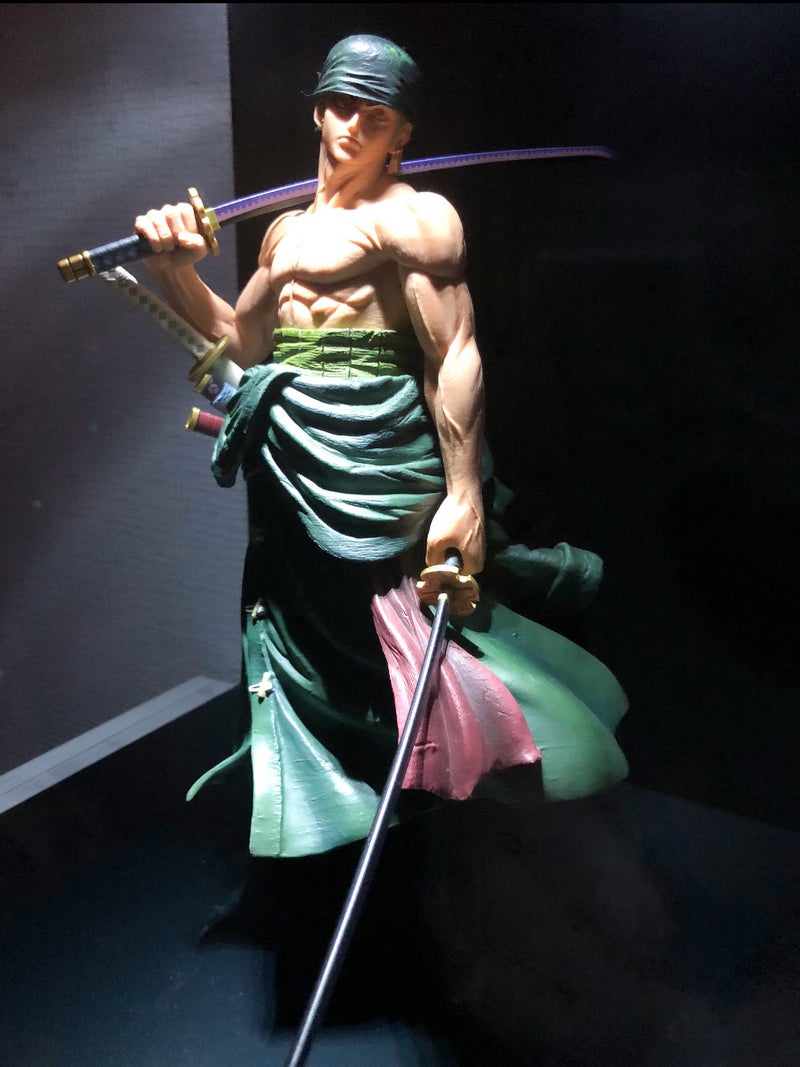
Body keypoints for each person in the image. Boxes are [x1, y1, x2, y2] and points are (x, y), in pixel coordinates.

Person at [135, 35, 629, 860]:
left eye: (375, 114)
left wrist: (463, 493)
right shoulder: (285, 233)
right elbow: (241, 345)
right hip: (297, 457)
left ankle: (464, 755)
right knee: (304, 616)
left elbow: (454, 353)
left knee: (400, 612)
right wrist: (176, 270)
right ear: (316, 111)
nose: (351, 127)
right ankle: (338, 785)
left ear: (402, 132)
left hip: (381, 457)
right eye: (338, 105)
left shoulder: (417, 218)